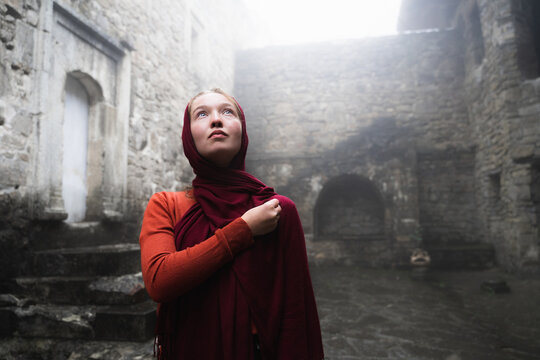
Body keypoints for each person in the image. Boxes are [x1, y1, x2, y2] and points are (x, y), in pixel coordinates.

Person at [139, 88, 324, 359]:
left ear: (243, 130)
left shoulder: (275, 210)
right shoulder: (166, 204)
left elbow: (294, 311)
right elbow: (160, 282)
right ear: (188, 136)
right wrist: (244, 229)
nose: (216, 120)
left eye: (228, 112)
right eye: (201, 114)